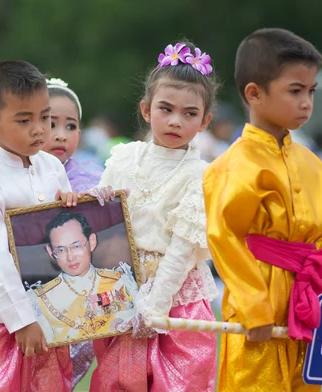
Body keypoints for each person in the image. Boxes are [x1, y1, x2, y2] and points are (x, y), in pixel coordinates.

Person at [204, 28, 322, 392]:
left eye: (311, 91)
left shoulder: (314, 164)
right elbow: (224, 235)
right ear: (254, 93)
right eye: (295, 90)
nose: (307, 103)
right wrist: (254, 305)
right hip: (260, 301)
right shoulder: (234, 164)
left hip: (308, 303)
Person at [0, 60, 114, 392]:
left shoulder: (51, 167)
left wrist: (74, 205)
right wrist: (22, 320)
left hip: (50, 312)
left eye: (44, 116)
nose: (39, 129)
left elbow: (63, 225)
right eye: (24, 120)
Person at [91, 41, 219, 391]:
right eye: (166, 109)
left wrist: (156, 308)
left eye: (190, 114)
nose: (176, 121)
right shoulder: (122, 158)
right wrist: (96, 199)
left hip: (175, 300)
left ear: (205, 121)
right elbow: (100, 223)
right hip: (121, 293)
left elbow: (183, 248)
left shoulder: (201, 174)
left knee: (178, 383)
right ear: (147, 110)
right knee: (117, 381)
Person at [42, 77, 104, 386]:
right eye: (51, 124)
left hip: (81, 301)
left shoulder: (91, 180)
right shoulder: (21, 176)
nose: (61, 135)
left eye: (70, 126)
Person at [31, 212, 137, 345]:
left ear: (92, 242)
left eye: (76, 246)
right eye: (61, 250)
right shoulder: (41, 299)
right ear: (51, 252)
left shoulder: (120, 282)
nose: (71, 257)